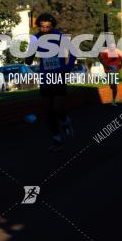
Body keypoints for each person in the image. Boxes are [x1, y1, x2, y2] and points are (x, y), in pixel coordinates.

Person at [25, 13, 75, 151]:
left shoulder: (60, 36)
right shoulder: (36, 39)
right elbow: (28, 60)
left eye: (48, 27)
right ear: (38, 26)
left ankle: (65, 121)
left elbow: (73, 52)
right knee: (48, 111)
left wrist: (67, 67)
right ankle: (57, 139)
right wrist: (30, 53)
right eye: (42, 27)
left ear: (53, 26)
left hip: (59, 76)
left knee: (57, 108)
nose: (45, 29)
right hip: (45, 78)